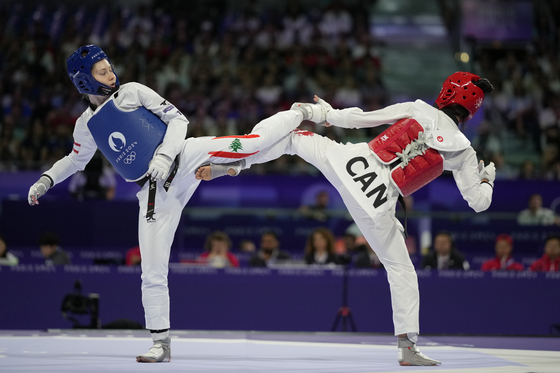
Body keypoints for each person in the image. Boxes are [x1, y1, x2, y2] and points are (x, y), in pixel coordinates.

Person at [27, 45, 312, 363]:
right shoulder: (86, 125)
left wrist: (163, 156)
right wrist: (46, 180)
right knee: (151, 270)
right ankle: (160, 344)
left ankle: (299, 116)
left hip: (186, 156)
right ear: (84, 81)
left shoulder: (133, 92)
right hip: (154, 192)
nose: (111, 73)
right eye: (102, 71)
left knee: (252, 143)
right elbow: (75, 160)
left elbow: (179, 120)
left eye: (110, 67)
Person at [198, 71, 496, 366]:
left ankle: (236, 165)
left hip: (349, 163)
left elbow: (360, 120)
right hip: (377, 204)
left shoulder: (418, 108)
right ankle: (407, 348)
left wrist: (325, 113)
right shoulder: (465, 152)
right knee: (402, 272)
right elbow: (479, 203)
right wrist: (487, 179)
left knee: (291, 138)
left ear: (448, 93)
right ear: (470, 112)